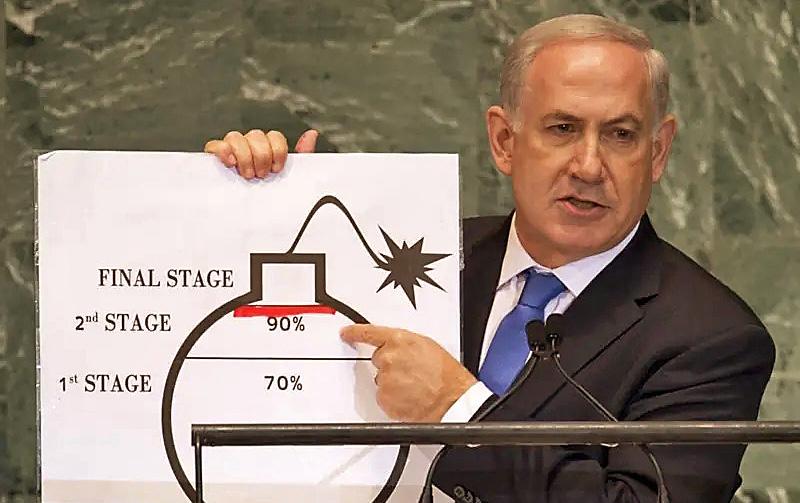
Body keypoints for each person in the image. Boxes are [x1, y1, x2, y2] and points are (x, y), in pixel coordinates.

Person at [204, 14, 774, 503]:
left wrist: (460, 414)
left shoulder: (712, 339)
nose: (589, 165)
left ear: (658, 152)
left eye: (621, 135)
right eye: (563, 128)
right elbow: (243, 351)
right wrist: (258, 203)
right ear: (504, 140)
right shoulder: (423, 255)